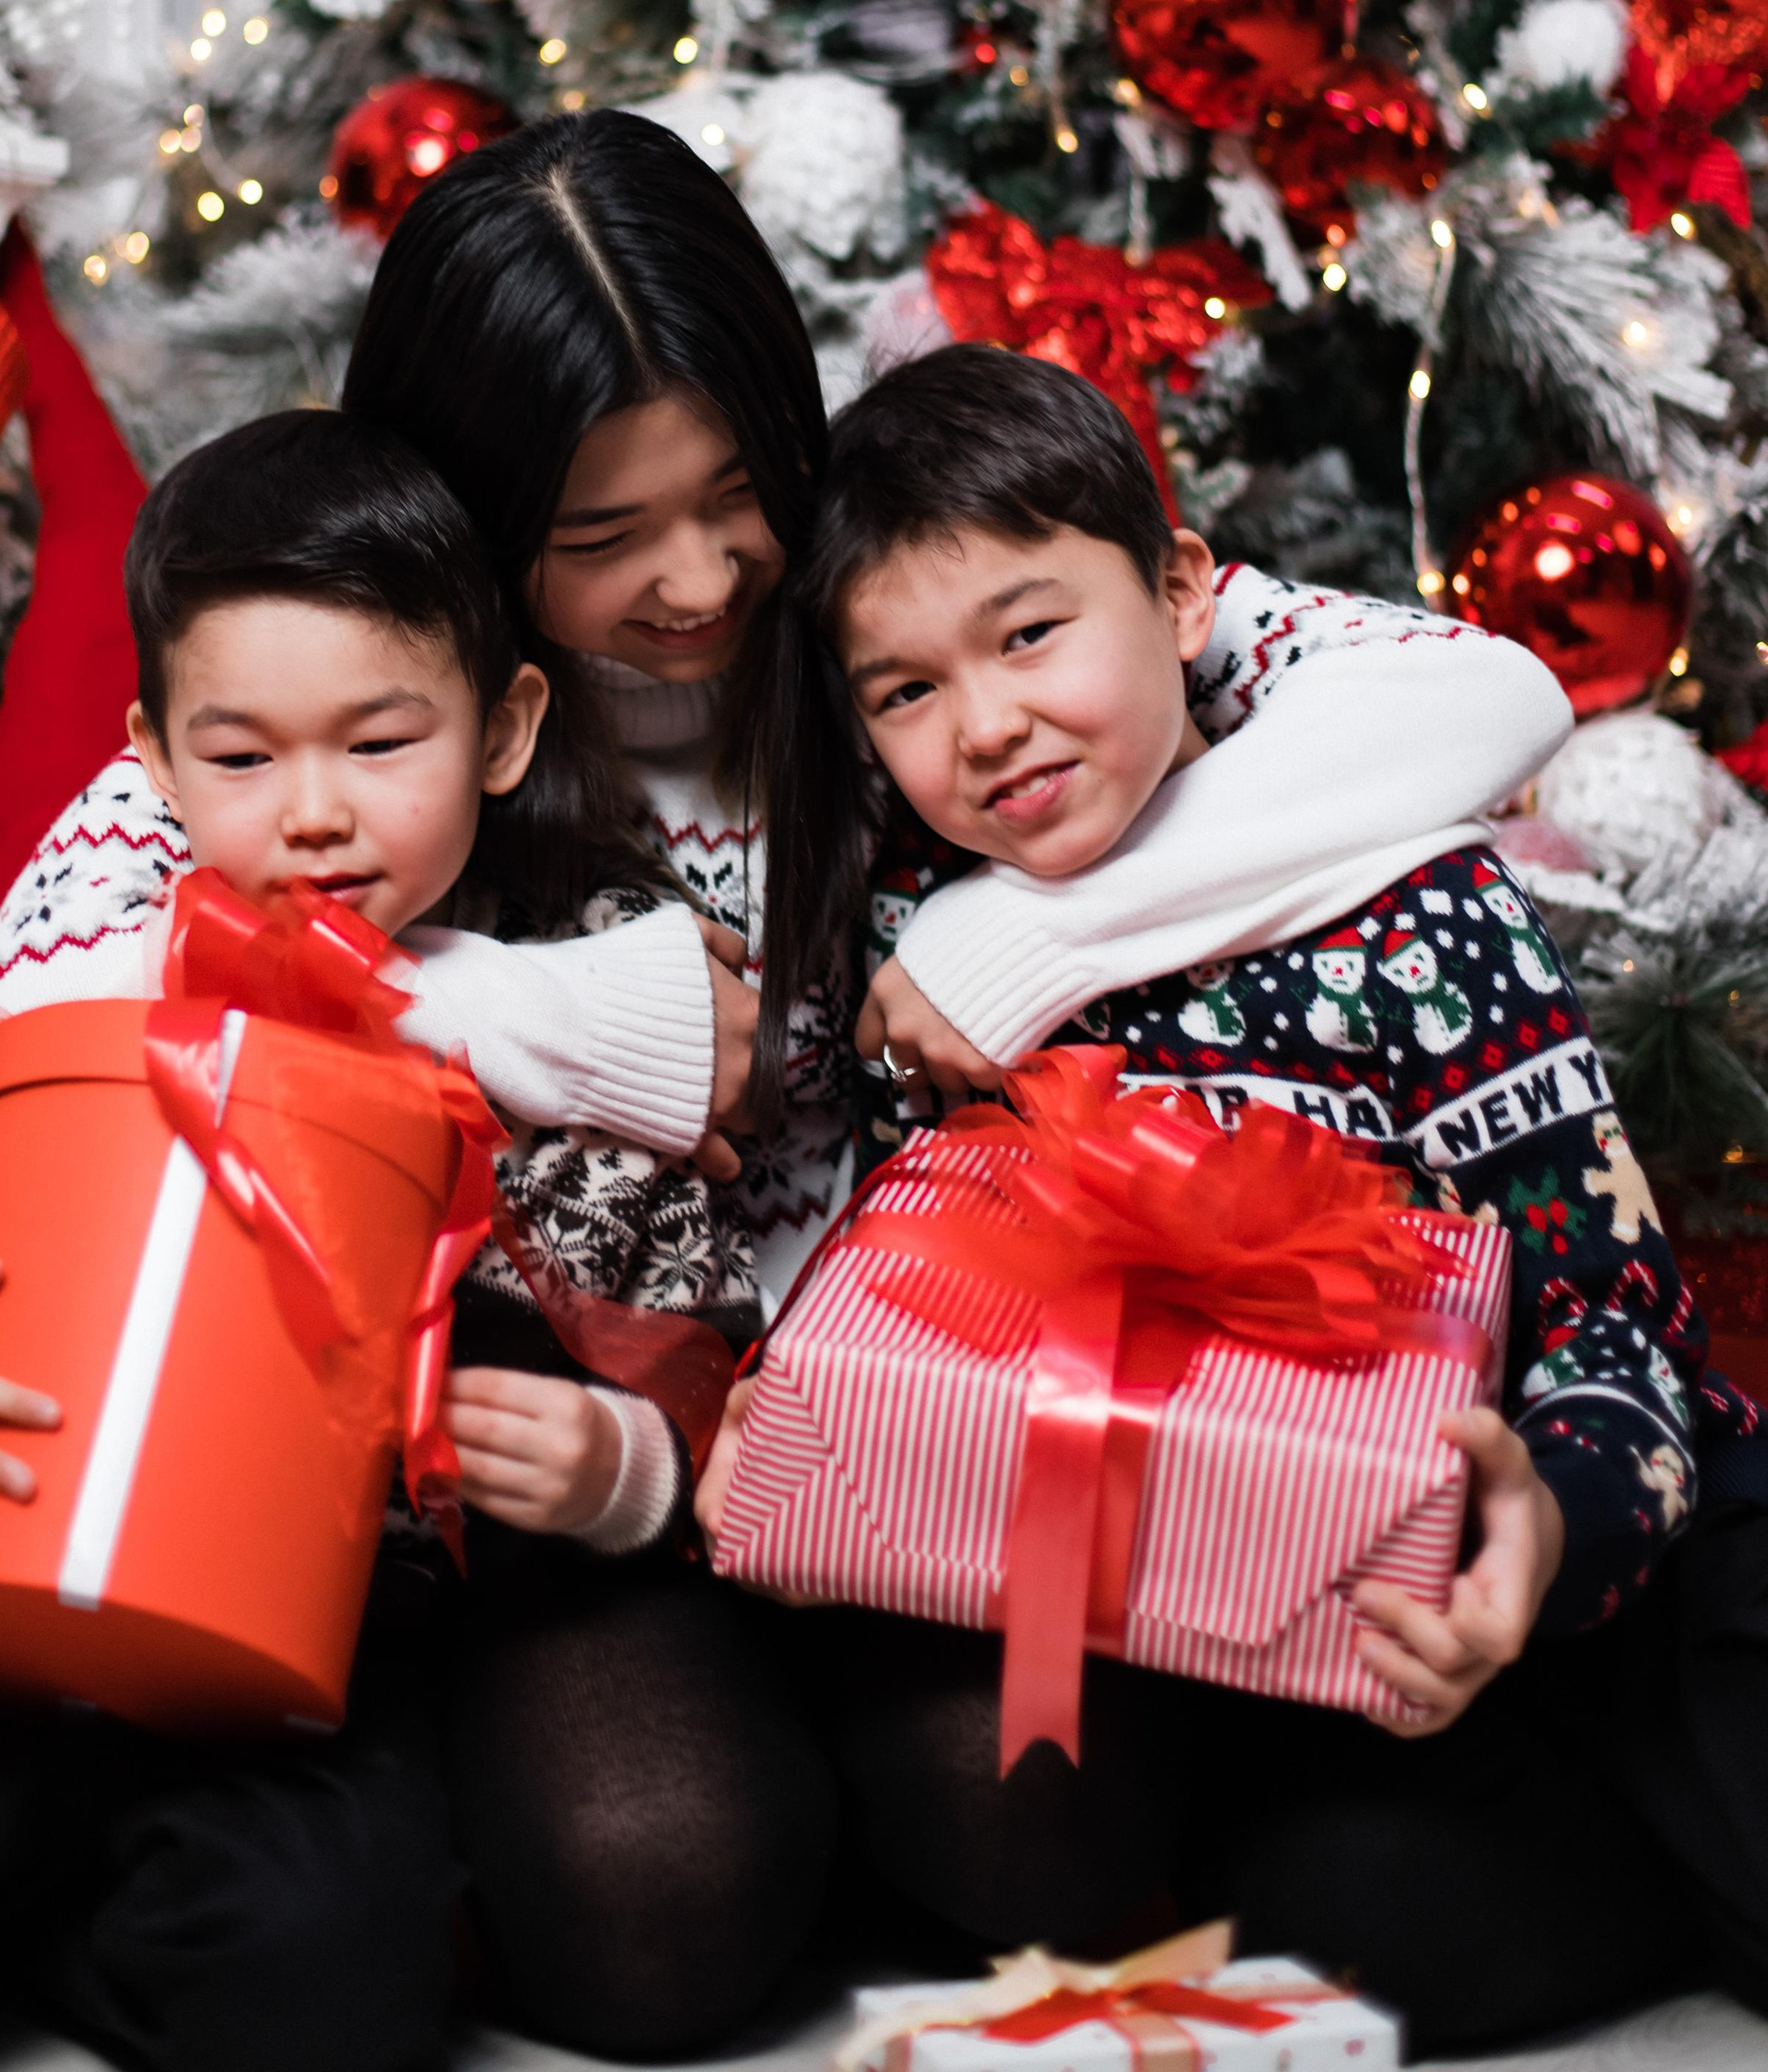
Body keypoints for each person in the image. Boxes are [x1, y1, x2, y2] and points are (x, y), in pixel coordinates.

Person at [0, 113, 1575, 2057]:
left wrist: (1036, 942)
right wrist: (578, 1020)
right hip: (593, 1452)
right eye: (598, 534)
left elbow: (1476, 694)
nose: (695, 578)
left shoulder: (890, 597)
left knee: (1041, 1821)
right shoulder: (344, 678)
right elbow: (100, 1022)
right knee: (656, 1905)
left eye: (733, 489)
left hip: (912, 1392)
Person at [734, 338, 1768, 2052]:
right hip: (1295, 1613)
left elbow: (1617, 1314)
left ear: (1182, 592)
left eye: (1030, 631)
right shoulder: (906, 957)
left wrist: (1549, 1529)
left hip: (1589, 1538)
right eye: (902, 691)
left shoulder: (1397, 893)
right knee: (1354, 1913)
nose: (985, 725)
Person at [0, 410, 636, 2072]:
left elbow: (660, 1336)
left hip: (292, 1661)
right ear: (152, 760)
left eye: (381, 745)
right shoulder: (71, 998)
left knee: (329, 1971)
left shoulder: (567, 1021)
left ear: (506, 724)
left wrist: (603, 1459)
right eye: (239, 761)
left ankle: (57, 1923)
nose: (311, 817)